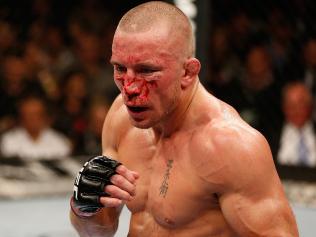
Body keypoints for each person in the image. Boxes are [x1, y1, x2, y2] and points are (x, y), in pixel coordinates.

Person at [70, 2, 298, 236]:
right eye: (120, 68)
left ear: (188, 72)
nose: (130, 88)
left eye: (146, 70)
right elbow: (98, 231)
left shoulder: (230, 147)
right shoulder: (121, 117)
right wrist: (82, 207)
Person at [0, 95, 71, 160]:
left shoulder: (60, 142)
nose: (33, 119)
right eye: (28, 115)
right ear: (21, 117)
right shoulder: (8, 141)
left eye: (36, 114)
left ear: (44, 116)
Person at [276, 82, 316, 167]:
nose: (296, 110)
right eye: (291, 105)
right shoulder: (271, 134)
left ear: (310, 106)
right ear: (284, 107)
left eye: (300, 104)